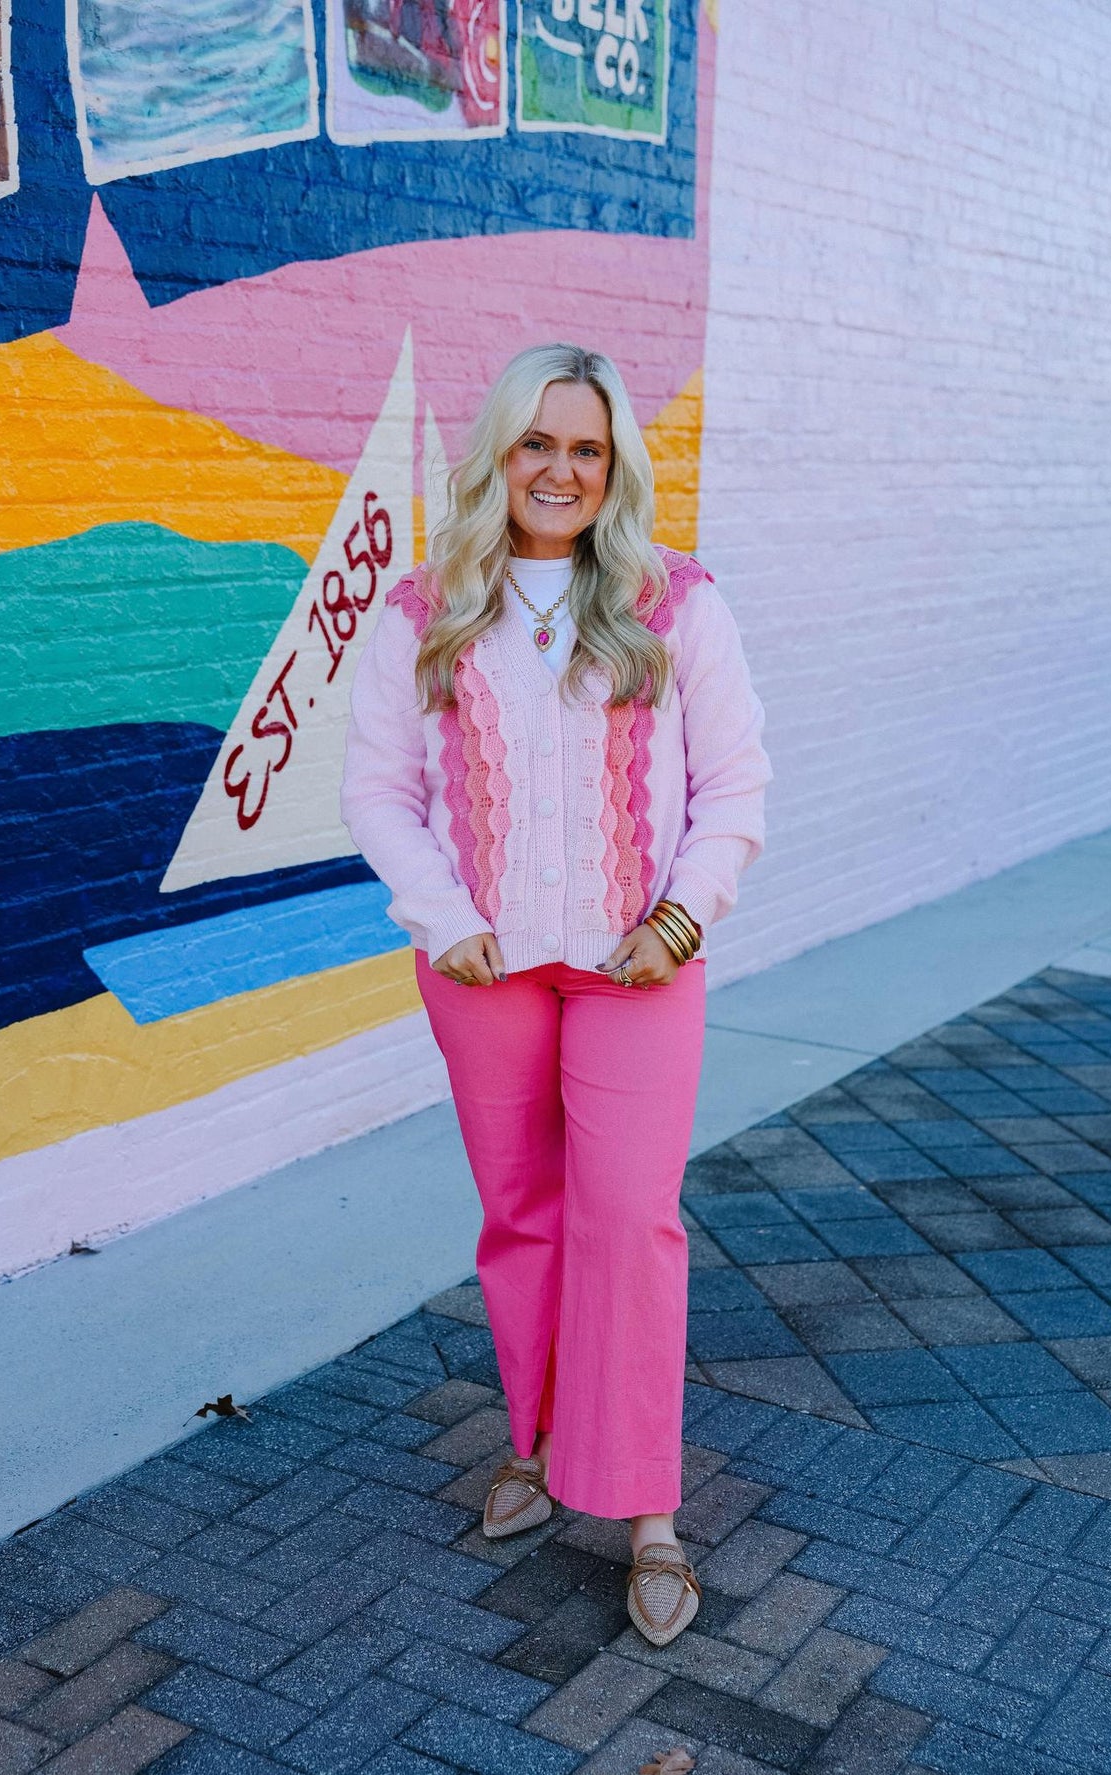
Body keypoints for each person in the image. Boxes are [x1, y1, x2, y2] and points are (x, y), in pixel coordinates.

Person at [341, 342, 771, 1646]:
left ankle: (646, 1510)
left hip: (642, 965)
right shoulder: (425, 612)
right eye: (539, 443)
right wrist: (446, 919)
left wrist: (684, 916)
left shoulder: (674, 603)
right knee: (522, 1215)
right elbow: (380, 793)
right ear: (498, 455)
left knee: (630, 1218)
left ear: (614, 466)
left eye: (586, 449)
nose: (561, 471)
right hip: (483, 966)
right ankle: (529, 1444)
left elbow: (735, 786)